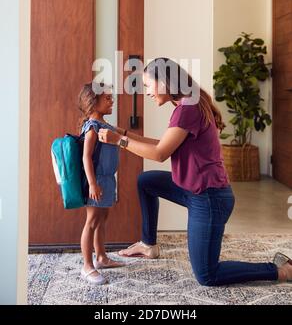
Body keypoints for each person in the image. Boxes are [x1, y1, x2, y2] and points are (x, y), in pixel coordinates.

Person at [98, 57, 292, 286]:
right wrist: (123, 133)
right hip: (192, 188)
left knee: (208, 275)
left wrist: (119, 141)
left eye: (148, 85)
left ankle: (282, 271)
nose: (147, 92)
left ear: (165, 83)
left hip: (209, 198)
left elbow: (160, 153)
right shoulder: (187, 103)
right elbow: (164, 143)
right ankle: (148, 245)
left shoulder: (187, 108)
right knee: (146, 181)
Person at [78, 83, 124, 285]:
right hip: (96, 181)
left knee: (102, 216)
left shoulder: (106, 126)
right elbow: (86, 157)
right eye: (107, 98)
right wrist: (92, 184)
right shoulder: (92, 127)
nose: (112, 100)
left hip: (107, 179)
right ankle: (87, 266)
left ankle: (102, 257)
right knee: (92, 220)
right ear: (93, 102)